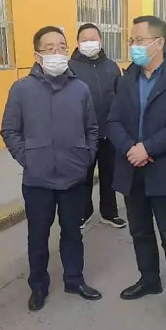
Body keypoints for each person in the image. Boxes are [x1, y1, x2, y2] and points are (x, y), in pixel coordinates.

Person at [1, 26, 102, 311]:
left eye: (61, 47)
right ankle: (38, 286)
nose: (57, 53)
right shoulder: (22, 89)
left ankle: (74, 279)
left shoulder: (80, 89)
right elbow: (10, 130)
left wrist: (85, 158)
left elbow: (92, 129)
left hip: (73, 177)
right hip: (38, 180)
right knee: (38, 236)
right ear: (37, 55)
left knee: (72, 232)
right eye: (49, 48)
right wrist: (28, 159)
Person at [108, 16, 166, 324]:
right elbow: (113, 120)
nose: (133, 46)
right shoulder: (127, 77)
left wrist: (148, 148)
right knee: (140, 231)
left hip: (165, 170)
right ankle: (149, 279)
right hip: (132, 168)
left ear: (159, 43)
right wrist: (131, 149)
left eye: (139, 40)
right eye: (131, 40)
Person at [68, 23, 127, 230]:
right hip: (82, 134)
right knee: (83, 176)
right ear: (77, 43)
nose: (89, 43)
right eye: (84, 39)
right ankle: (83, 213)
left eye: (93, 38)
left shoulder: (111, 67)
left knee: (109, 175)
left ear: (100, 41)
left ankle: (109, 213)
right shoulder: (69, 68)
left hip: (109, 131)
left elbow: (120, 96)